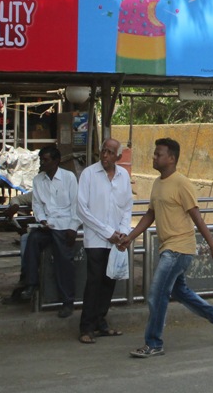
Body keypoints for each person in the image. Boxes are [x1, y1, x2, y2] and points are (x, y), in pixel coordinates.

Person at [120, 137, 213, 358]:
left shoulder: (182, 183)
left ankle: (154, 342)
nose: (154, 157)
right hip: (167, 247)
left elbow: (196, 216)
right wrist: (130, 237)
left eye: (158, 154)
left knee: (157, 293)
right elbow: (150, 215)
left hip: (179, 248)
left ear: (171, 158)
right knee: (180, 292)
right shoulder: (157, 183)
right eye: (154, 153)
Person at [76, 138, 133, 344]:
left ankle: (100, 322)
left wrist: (124, 232)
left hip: (116, 240)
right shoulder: (89, 174)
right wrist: (108, 232)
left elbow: (127, 207)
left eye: (110, 153)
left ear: (118, 156)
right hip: (96, 240)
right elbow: (83, 210)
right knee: (94, 282)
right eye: (103, 151)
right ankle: (86, 326)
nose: (105, 156)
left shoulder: (123, 176)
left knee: (109, 282)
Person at [21, 146, 80, 318]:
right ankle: (31, 284)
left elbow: (77, 204)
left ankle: (67, 302)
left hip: (64, 226)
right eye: (41, 160)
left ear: (56, 161)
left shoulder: (68, 178)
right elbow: (37, 204)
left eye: (46, 160)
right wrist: (42, 220)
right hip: (48, 225)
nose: (42, 163)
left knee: (64, 261)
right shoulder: (38, 180)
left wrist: (73, 227)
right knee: (31, 240)